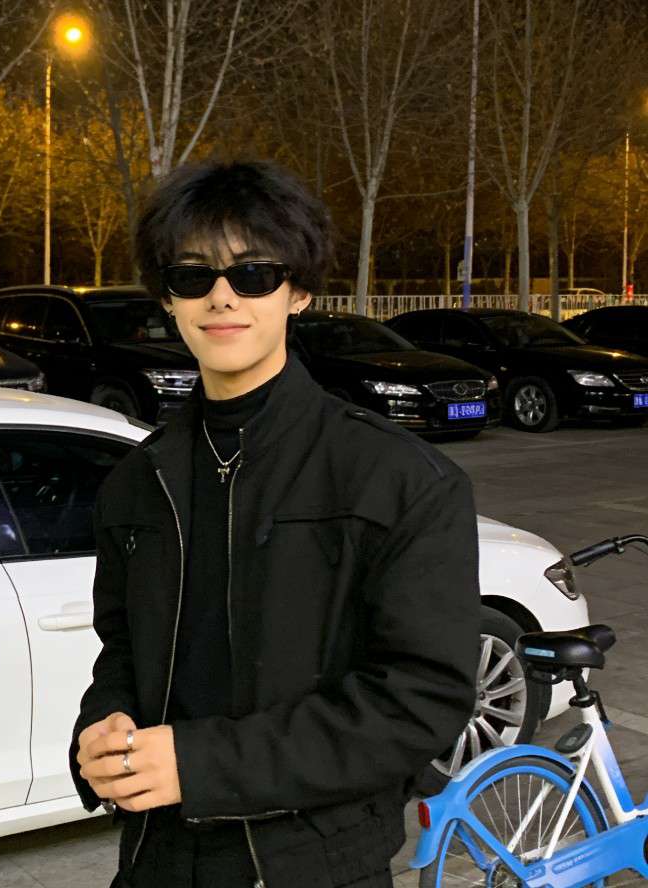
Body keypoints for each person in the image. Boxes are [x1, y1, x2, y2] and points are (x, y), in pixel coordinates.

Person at [70, 160, 480, 888]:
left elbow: (421, 701)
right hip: (156, 860)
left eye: (254, 273)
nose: (221, 296)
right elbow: (123, 650)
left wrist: (200, 763)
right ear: (168, 298)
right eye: (192, 275)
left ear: (300, 291)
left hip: (314, 865)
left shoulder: (399, 478)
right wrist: (104, 726)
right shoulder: (137, 481)